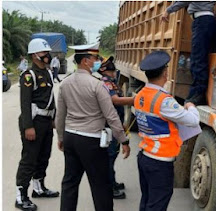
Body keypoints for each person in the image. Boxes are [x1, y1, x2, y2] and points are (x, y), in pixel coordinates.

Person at [55, 43, 131, 211]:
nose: (98, 62)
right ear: (86, 62)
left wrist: (61, 137)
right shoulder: (97, 85)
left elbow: (60, 115)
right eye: (95, 58)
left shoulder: (66, 84)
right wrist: (123, 140)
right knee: (100, 185)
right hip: (91, 141)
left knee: (69, 183)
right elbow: (111, 116)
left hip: (71, 137)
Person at [135, 51, 200, 211]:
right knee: (157, 204)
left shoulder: (141, 94)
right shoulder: (164, 101)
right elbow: (193, 120)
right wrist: (191, 106)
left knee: (147, 200)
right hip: (159, 161)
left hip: (145, 156)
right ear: (165, 73)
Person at [15, 38, 59, 211]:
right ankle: (21, 196)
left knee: (44, 156)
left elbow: (51, 98)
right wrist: (28, 126)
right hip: (33, 121)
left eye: (47, 52)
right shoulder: (28, 75)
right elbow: (24, 103)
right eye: (43, 53)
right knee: (29, 159)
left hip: (46, 121)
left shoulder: (47, 73)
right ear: (34, 55)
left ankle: (39, 188)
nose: (47, 55)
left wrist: (53, 118)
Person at [161, 2, 216, 105]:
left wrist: (168, 10)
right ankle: (200, 92)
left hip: (202, 21)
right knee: (201, 58)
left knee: (197, 60)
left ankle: (197, 94)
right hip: (206, 21)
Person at [99, 56, 135, 199]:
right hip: (109, 126)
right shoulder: (106, 83)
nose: (114, 71)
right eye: (111, 68)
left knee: (112, 155)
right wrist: (135, 100)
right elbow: (115, 100)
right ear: (106, 70)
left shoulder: (112, 83)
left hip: (116, 124)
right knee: (109, 156)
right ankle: (109, 188)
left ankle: (112, 182)